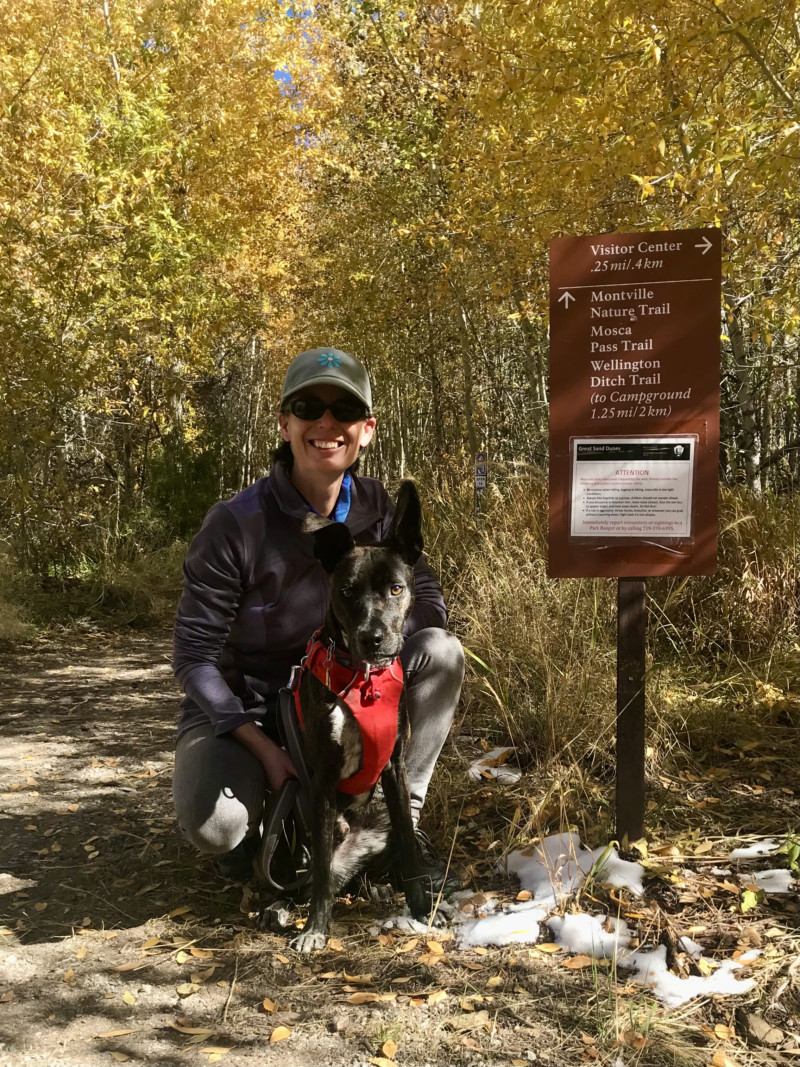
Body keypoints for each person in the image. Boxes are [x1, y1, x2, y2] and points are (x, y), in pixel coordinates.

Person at [172, 346, 465, 890]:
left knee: (443, 649)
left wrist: (371, 681)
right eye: (309, 407)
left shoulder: (381, 509)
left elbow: (425, 606)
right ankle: (271, 827)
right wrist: (263, 747)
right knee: (215, 825)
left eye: (345, 411)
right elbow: (193, 657)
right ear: (285, 424)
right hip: (253, 712)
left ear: (367, 430)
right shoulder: (235, 524)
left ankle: (399, 824)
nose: (327, 423)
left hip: (347, 697)